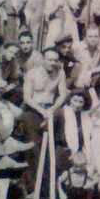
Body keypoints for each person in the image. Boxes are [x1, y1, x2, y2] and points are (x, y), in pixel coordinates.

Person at [20, 45, 69, 191]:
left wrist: (52, 110)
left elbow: (62, 94)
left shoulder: (60, 73)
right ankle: (34, 188)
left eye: (55, 60)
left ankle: (53, 185)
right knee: (34, 147)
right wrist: (42, 111)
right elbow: (27, 98)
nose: (52, 63)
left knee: (55, 146)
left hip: (51, 110)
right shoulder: (32, 73)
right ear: (42, 60)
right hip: (34, 109)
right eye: (49, 60)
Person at [55, 89, 98, 199]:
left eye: (81, 102)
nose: (78, 104)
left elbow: (89, 136)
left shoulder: (85, 116)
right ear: (70, 100)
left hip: (81, 151)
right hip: (64, 150)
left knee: (85, 173)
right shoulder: (61, 113)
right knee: (65, 176)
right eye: (75, 101)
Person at [72, 24, 100, 89]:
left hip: (95, 72)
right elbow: (79, 68)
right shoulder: (78, 47)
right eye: (90, 36)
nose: (93, 39)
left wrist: (91, 72)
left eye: (96, 36)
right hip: (82, 74)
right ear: (84, 38)